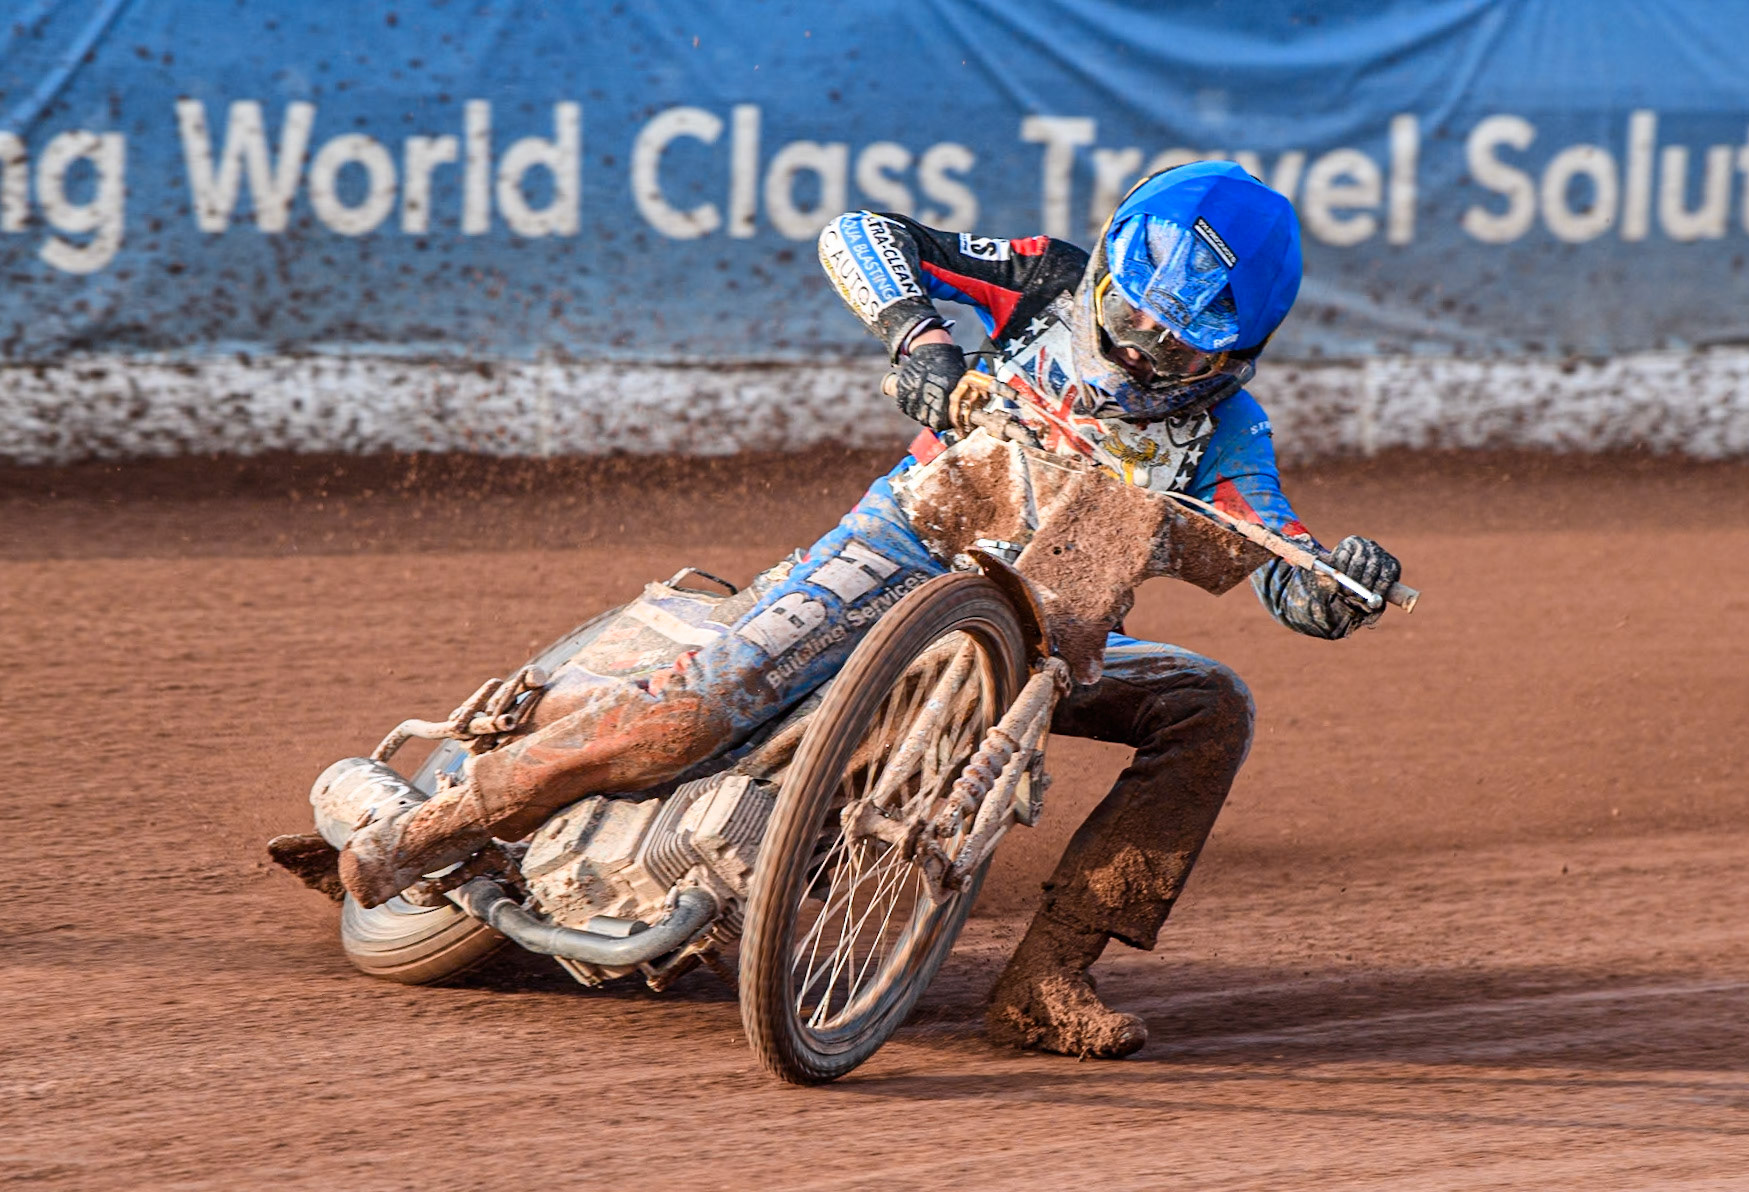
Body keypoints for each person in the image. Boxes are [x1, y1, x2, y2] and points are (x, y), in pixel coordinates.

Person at [335, 161, 1402, 1059]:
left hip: (1062, 627)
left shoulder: (1229, 435)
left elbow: (1278, 555)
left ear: (1231, 356)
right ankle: (436, 825)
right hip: (896, 546)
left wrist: (1328, 585)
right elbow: (860, 231)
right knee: (693, 714)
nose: (1135, 350)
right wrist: (919, 341)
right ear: (1109, 266)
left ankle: (1047, 977)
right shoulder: (1043, 284)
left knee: (1211, 704)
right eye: (1127, 315)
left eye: (1174, 348)